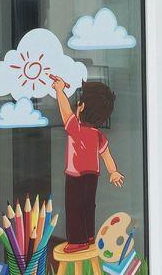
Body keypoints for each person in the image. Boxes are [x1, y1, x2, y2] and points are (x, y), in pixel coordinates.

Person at [50, 75, 124, 252]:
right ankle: (89, 235)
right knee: (88, 205)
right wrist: (113, 171)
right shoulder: (97, 134)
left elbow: (65, 111)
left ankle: (77, 241)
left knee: (74, 206)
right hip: (92, 175)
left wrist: (59, 91)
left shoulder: (75, 128)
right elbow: (106, 155)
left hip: (75, 174)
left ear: (81, 107)